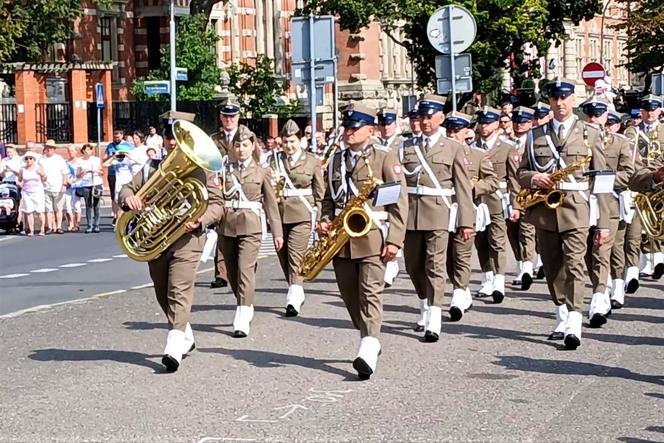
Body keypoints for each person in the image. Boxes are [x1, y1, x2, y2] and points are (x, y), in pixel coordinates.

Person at [119, 123, 225, 372]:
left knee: (179, 288)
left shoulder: (203, 171)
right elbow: (127, 188)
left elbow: (218, 205)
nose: (173, 144)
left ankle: (173, 347)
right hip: (156, 236)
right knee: (162, 292)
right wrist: (128, 198)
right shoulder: (153, 167)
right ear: (165, 142)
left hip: (188, 237)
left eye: (176, 140)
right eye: (170, 139)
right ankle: (186, 334)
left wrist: (202, 220)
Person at [516, 78, 611, 350]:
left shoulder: (589, 133)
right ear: (549, 101)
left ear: (573, 100)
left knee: (575, 264)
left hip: (577, 207)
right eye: (555, 98)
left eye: (565, 98)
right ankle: (561, 311)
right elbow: (521, 173)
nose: (559, 103)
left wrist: (603, 223)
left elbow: (601, 180)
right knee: (552, 266)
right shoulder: (536, 135)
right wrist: (535, 178)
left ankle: (574, 320)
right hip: (545, 210)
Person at [318, 103, 407, 380]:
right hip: (341, 241)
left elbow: (398, 201)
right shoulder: (335, 159)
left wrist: (394, 240)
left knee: (370, 293)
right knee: (349, 295)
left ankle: (368, 345)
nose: (348, 132)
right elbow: (328, 198)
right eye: (346, 127)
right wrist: (323, 219)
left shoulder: (383, 157)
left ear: (370, 129)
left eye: (354, 128)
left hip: (371, 237)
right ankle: (370, 336)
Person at [401, 95, 474, 340]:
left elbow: (463, 187)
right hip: (410, 214)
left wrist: (466, 221)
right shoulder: (406, 147)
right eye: (421, 117)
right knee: (413, 265)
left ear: (441, 118)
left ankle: (434, 315)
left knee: (435, 264)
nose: (424, 122)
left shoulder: (454, 148)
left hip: (439, 213)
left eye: (429, 117)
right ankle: (424, 302)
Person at [220, 126, 283, 337]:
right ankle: (244, 300)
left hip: (251, 225)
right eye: (237, 145)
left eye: (245, 145)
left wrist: (277, 233)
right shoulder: (224, 169)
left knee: (245, 268)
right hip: (227, 224)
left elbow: (271, 204)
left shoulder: (262, 170)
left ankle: (242, 313)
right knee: (231, 272)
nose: (241, 149)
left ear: (253, 146)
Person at [580, 97, 635, 328]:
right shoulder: (576, 141)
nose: (594, 119)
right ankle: (600, 288)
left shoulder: (620, 143)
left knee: (602, 251)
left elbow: (628, 173)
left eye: (598, 115)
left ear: (606, 117)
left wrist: (603, 180)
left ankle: (599, 298)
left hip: (609, 204)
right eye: (590, 115)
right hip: (581, 203)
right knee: (584, 253)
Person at [444, 112, 498, 320]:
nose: (451, 134)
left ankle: (458, 293)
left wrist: (475, 187)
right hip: (443, 211)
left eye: (456, 130)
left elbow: (492, 181)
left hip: (466, 210)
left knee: (461, 254)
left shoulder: (477, 155)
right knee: (447, 257)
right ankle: (463, 290)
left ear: (466, 132)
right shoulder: (440, 153)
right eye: (449, 130)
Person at [269, 120, 325, 316]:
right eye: (285, 141)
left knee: (295, 255)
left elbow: (320, 191)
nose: (289, 145)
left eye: (292, 141)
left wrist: (319, 215)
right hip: (279, 214)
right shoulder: (274, 160)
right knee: (283, 256)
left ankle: (293, 297)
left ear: (300, 141)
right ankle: (295, 287)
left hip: (302, 213)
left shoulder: (312, 161)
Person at [473, 107, 521, 302]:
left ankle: (499, 279)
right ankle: (487, 277)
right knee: (481, 241)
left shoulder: (508, 147)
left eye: (487, 123)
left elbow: (514, 178)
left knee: (497, 240)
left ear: (496, 125)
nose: (483, 126)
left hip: (497, 198)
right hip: (476, 199)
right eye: (481, 123)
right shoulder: (472, 146)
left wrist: (516, 204)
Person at [210, 102, 247, 289]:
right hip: (219, 188)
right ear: (221, 118)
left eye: (232, 117)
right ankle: (221, 273)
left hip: (240, 189)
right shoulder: (213, 139)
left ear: (238, 117)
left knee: (241, 231)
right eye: (225, 116)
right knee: (221, 231)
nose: (229, 119)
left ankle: (244, 267)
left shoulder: (247, 136)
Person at [507, 106, 540, 289]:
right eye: (516, 122)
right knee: (513, 233)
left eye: (524, 122)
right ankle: (521, 263)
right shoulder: (507, 143)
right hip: (512, 193)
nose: (519, 125)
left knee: (527, 231)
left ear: (531, 123)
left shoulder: (536, 141)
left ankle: (527, 267)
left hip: (532, 194)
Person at [377, 108, 403, 286]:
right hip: (378, 190)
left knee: (395, 222)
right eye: (383, 124)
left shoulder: (402, 144)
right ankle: (390, 262)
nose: (386, 128)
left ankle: (392, 262)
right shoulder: (375, 144)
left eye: (389, 124)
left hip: (396, 187)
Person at [38, 139, 68, 234]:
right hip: (46, 187)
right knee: (48, 209)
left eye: (51, 148)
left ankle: (59, 226)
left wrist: (64, 185)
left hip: (58, 187)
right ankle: (50, 226)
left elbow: (64, 173)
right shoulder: (41, 159)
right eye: (48, 147)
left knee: (58, 208)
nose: (50, 149)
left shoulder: (59, 159)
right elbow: (39, 172)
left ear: (54, 149)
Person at [17, 152, 46, 236]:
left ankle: (42, 229)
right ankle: (31, 230)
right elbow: (19, 180)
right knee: (28, 211)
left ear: (33, 159)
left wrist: (42, 174)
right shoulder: (22, 169)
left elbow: (45, 178)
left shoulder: (38, 168)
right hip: (26, 192)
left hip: (37, 192)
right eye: (26, 158)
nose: (28, 160)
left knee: (40, 211)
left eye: (30, 158)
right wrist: (20, 184)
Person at [77, 143, 103, 233]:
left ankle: (97, 225)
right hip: (86, 184)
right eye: (87, 150)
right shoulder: (80, 161)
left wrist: (96, 171)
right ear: (83, 151)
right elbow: (77, 175)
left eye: (90, 150)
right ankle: (89, 225)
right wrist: (83, 172)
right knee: (88, 205)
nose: (89, 151)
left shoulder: (96, 160)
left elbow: (102, 172)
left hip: (96, 183)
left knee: (97, 205)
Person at [103, 130, 124, 226]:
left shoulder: (127, 145)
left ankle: (123, 215)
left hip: (123, 173)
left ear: (122, 136)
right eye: (115, 137)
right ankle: (115, 216)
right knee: (113, 196)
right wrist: (112, 156)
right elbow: (104, 159)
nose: (117, 139)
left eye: (118, 137)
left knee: (123, 194)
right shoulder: (110, 146)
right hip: (112, 173)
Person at [64, 146, 82, 232]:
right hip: (68, 186)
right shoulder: (66, 163)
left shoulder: (79, 162)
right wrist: (67, 181)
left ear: (76, 152)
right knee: (67, 206)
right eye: (69, 151)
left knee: (76, 205)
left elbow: (81, 175)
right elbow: (64, 174)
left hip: (76, 185)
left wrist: (73, 181)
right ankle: (70, 223)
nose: (70, 152)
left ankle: (77, 223)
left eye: (71, 151)